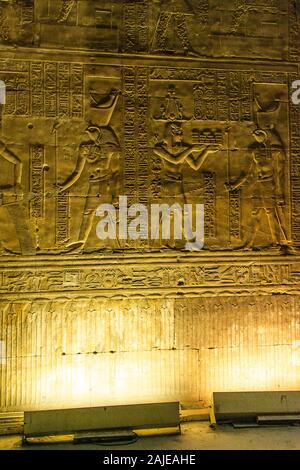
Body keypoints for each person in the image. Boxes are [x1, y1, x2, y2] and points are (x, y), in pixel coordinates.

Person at [58, 125, 120, 251]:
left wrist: (116, 194)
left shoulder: (110, 149)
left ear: (101, 133)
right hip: (93, 186)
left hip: (106, 186)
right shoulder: (85, 149)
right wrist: (63, 186)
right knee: (88, 214)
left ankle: (117, 246)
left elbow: (117, 173)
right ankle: (80, 244)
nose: (89, 134)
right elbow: (77, 172)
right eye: (88, 132)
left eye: (92, 131)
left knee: (110, 215)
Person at [226, 128, 289, 249]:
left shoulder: (275, 151)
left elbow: (280, 173)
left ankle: (277, 242)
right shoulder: (254, 151)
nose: (255, 136)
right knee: (256, 213)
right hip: (258, 185)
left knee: (270, 213)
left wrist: (280, 192)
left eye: (258, 134)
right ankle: (250, 244)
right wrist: (235, 184)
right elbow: (247, 172)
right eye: (254, 135)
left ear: (265, 136)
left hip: (269, 185)